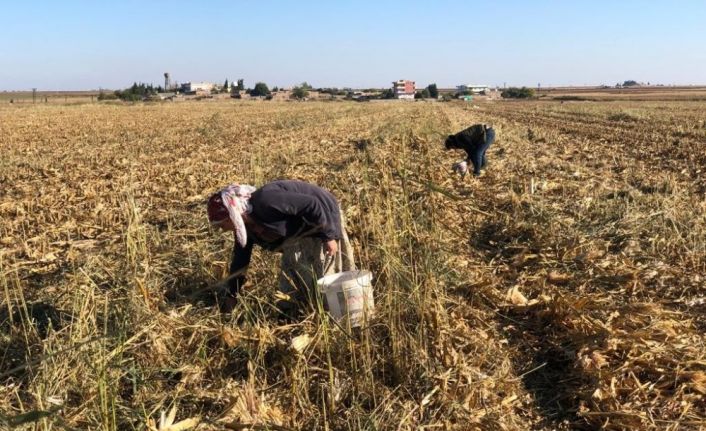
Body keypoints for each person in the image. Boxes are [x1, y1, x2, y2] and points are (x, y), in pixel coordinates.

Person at [207, 180, 356, 314]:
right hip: (297, 233)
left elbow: (312, 204)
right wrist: (232, 294)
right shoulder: (244, 229)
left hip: (321, 217)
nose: (222, 229)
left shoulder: (266, 201)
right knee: (294, 276)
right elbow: (240, 261)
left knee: (324, 274)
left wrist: (328, 236)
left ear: (232, 214)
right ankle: (298, 312)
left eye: (221, 224)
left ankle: (338, 314)